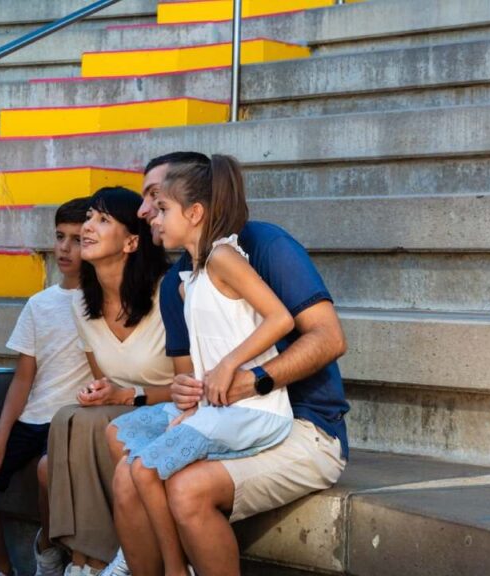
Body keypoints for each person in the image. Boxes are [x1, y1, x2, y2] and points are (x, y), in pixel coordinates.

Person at [108, 151, 350, 576]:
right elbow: (192, 379)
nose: (145, 212)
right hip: (226, 414)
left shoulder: (264, 245)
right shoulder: (180, 280)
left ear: (196, 204)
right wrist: (187, 390)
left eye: (156, 198)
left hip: (306, 427)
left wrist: (253, 379)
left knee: (185, 489)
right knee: (127, 467)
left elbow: (329, 338)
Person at [0, 198, 94, 576]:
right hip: (32, 418)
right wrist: (0, 434)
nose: (65, 248)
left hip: (74, 420)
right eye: (60, 237)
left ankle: (48, 548)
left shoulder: (106, 303)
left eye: (78, 239)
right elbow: (23, 376)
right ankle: (2, 569)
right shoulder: (40, 303)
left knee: (48, 471)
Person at [46, 187, 172, 576]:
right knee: (70, 416)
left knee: (82, 423)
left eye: (103, 220)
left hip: (172, 408)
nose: (87, 228)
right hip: (124, 410)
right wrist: (103, 391)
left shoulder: (167, 292)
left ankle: (102, 556)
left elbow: (195, 383)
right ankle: (86, 559)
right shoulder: (83, 305)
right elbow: (106, 383)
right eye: (88, 218)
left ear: (132, 241)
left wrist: (129, 395)